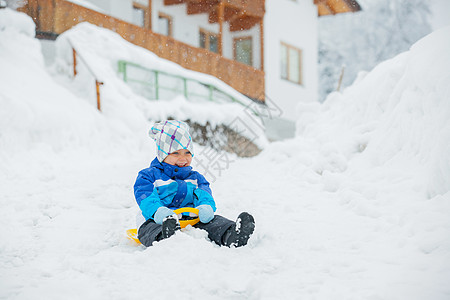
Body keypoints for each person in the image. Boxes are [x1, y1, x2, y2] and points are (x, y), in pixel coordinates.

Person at [134, 120, 255, 247]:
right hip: (158, 219)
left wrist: (205, 207)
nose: (183, 158)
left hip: (191, 218)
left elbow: (204, 194)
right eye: (175, 153)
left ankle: (232, 235)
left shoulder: (196, 178)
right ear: (162, 154)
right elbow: (145, 196)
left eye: (187, 153)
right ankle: (165, 237)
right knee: (149, 229)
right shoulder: (149, 176)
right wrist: (158, 212)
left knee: (215, 222)